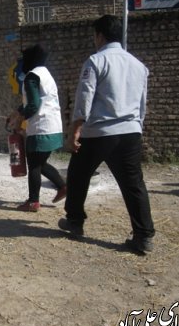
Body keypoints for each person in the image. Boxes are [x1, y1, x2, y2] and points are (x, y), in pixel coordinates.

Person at [57, 15, 155, 254]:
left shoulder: (96, 61)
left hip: (99, 132)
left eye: (94, 35)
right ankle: (144, 237)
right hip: (130, 132)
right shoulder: (138, 65)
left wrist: (75, 130)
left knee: (78, 174)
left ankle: (75, 221)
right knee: (134, 185)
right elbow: (142, 105)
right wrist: (136, 126)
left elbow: (84, 98)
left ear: (99, 35)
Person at [14, 44, 66, 212]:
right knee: (40, 163)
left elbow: (33, 105)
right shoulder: (46, 74)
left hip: (41, 128)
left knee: (35, 165)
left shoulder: (31, 76)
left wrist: (19, 122)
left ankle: (33, 201)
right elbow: (36, 100)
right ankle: (63, 187)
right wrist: (15, 112)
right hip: (54, 127)